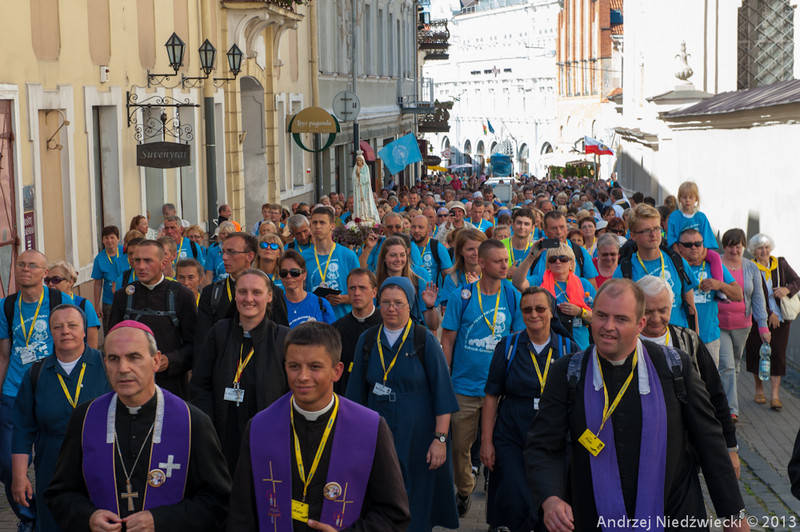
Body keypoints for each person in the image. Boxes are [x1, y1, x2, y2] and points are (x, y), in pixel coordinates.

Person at [524, 279, 748, 532]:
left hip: (674, 515)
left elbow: (710, 443)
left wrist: (734, 517)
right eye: (601, 316)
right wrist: (550, 499)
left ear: (640, 324)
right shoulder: (568, 372)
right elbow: (543, 445)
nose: (608, 327)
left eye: (620, 319)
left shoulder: (675, 367)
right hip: (593, 516)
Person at [44, 321, 231, 532]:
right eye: (114, 359)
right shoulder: (85, 419)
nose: (123, 368)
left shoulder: (192, 422)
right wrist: (88, 516)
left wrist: (161, 521)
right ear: (105, 363)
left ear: (156, 361)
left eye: (134, 357)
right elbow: (59, 495)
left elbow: (218, 502)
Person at [226, 321, 411, 531]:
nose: (303, 377)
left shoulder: (371, 429)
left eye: (315, 367)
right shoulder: (260, 428)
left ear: (337, 371)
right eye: (294, 366)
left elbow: (394, 514)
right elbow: (241, 515)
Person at [346, 277, 459, 531]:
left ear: (410, 305)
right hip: (377, 433)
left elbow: (443, 394)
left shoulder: (423, 340)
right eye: (385, 302)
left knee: (416, 500)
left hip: (418, 436)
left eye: (399, 303)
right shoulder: (367, 340)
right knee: (380, 493)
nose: (391, 308)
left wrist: (440, 440)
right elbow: (354, 396)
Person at [481, 287, 577, 532]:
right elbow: (492, 395)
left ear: (551, 312)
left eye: (540, 308)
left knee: (550, 499)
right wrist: (486, 442)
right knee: (515, 497)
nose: (534, 314)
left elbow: (580, 401)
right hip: (512, 434)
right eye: (527, 309)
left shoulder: (569, 348)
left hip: (553, 438)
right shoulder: (509, 346)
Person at [440, 239, 524, 517]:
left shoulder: (511, 295)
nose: (505, 265)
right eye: (499, 261)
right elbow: (448, 342)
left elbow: (517, 341)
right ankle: (464, 489)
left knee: (500, 447)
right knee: (459, 449)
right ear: (482, 263)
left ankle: (496, 497)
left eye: (506, 260)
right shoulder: (461, 296)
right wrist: (446, 382)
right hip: (464, 388)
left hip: (500, 391)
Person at [11, 305, 111, 532]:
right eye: (58, 326)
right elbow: (23, 427)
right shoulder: (36, 373)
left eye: (73, 325)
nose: (65, 331)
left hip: (101, 459)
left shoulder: (106, 365)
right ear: (50, 332)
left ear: (84, 330)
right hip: (52, 462)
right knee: (54, 522)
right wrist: (19, 475)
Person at [636, 275, 740, 474]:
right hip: (639, 448)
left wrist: (731, 447)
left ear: (672, 306)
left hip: (684, 450)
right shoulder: (626, 343)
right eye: (648, 311)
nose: (656, 318)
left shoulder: (688, 341)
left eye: (663, 310)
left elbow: (715, 394)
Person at [0, 251, 72, 530]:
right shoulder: (7, 306)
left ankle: (50, 516)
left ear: (44, 272)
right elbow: (5, 355)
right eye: (21, 265)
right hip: (13, 392)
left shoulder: (60, 301)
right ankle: (28, 518)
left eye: (32, 265)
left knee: (51, 460)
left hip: (49, 389)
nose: (25, 269)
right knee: (8, 464)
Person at [191, 269, 290, 474]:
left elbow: (291, 393)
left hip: (267, 436)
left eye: (256, 292)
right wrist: (208, 430)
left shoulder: (283, 338)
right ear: (235, 295)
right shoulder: (219, 332)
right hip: (222, 434)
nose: (249, 299)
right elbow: (200, 385)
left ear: (269, 296)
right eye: (242, 292)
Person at [109, 240, 197, 399]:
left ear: (164, 263)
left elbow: (195, 345)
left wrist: (171, 360)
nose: (141, 266)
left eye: (148, 260)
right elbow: (111, 344)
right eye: (137, 260)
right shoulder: (123, 297)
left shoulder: (182, 296)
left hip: (171, 387)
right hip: (131, 387)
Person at [613, 203, 699, 330]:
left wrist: (695, 345)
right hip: (644, 343)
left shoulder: (677, 262)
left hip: (677, 341)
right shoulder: (625, 271)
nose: (653, 234)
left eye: (657, 228)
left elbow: (692, 310)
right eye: (646, 230)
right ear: (633, 236)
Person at [197, 232, 290, 342]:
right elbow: (202, 341)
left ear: (250, 256)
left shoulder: (272, 292)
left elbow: (281, 339)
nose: (224, 257)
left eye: (231, 252)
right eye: (223, 252)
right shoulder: (211, 293)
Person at [718, 229, 770, 421]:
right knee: (728, 365)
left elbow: (758, 297)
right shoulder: (716, 263)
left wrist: (763, 326)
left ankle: (723, 396)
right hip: (719, 323)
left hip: (743, 325)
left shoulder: (751, 268)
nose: (734, 250)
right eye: (730, 246)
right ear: (724, 247)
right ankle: (731, 410)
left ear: (744, 247)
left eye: (738, 246)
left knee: (735, 364)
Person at [745, 233, 799, 411]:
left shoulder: (780, 264)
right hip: (756, 319)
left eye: (766, 247)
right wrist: (768, 314)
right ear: (754, 250)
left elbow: (797, 281)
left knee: (778, 354)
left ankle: (775, 395)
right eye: (760, 248)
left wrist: (786, 289)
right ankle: (759, 389)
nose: (764, 250)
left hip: (782, 318)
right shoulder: (750, 267)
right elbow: (751, 294)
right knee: (756, 353)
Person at [676, 228, 743, 366]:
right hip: (681, 338)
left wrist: (719, 285)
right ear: (680, 247)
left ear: (703, 245)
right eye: (688, 245)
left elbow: (738, 295)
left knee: (710, 384)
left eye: (698, 244)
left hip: (709, 338)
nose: (694, 247)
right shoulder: (674, 266)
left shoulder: (712, 266)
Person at [522, 242, 596, 350]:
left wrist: (580, 312)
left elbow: (599, 317)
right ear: (548, 265)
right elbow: (518, 283)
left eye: (563, 258)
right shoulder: (539, 281)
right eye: (553, 259)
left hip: (580, 345)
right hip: (551, 347)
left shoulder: (584, 284)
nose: (558, 261)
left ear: (571, 263)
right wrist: (530, 258)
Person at [302, 207, 361, 321]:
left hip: (343, 320)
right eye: (314, 222)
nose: (318, 226)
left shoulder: (348, 256)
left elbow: (362, 293)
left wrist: (342, 299)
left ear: (332, 226)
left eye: (322, 222)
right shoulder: (303, 257)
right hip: (315, 321)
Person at [514, 211, 599, 286]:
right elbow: (520, 284)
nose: (558, 232)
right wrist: (530, 258)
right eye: (554, 228)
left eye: (562, 227)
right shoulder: (534, 252)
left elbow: (591, 290)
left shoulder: (580, 252)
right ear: (545, 231)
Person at [332, 269, 381, 395]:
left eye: (362, 288)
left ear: (374, 292)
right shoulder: (337, 329)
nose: (357, 293)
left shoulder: (386, 324)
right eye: (352, 288)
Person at [375, 236, 439, 330]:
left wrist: (430, 306)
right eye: (393, 255)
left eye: (402, 255)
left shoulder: (418, 282)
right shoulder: (375, 283)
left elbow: (433, 326)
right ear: (384, 258)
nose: (398, 259)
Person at [45, 261, 102, 349]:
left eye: (56, 280)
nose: (50, 284)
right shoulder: (44, 305)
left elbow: (92, 344)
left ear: (70, 282)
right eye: (47, 280)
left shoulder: (83, 305)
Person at [277, 250, 335, 328]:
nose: (288, 276)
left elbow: (332, 336)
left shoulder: (321, 304)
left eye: (294, 272)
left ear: (304, 275)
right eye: (284, 273)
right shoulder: (276, 306)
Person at [441, 228, 486, 311]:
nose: (476, 253)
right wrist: (474, 289)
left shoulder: (493, 275)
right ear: (461, 251)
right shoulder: (452, 278)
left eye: (479, 248)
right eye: (470, 249)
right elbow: (449, 313)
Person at [91, 225, 125, 334]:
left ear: (118, 238)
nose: (109, 241)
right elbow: (97, 283)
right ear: (102, 240)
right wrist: (97, 305)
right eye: (106, 238)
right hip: (109, 301)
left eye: (112, 237)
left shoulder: (125, 252)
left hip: (126, 297)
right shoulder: (99, 259)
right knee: (110, 331)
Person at [410, 215, 453, 288]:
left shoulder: (437, 246)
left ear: (429, 230)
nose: (416, 230)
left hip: (434, 295)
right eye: (413, 227)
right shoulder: (405, 245)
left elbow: (449, 273)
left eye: (420, 227)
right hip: (412, 294)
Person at [502, 208, 535, 276]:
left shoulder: (535, 249)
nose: (522, 227)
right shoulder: (499, 245)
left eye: (526, 224)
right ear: (512, 225)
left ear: (532, 228)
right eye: (519, 223)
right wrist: (506, 274)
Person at [353, 153, 380, 222]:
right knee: (359, 202)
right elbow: (354, 178)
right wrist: (357, 174)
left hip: (365, 188)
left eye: (360, 160)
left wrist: (360, 175)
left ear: (362, 161)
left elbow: (366, 178)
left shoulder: (365, 167)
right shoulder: (355, 168)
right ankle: (359, 216)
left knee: (365, 201)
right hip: (359, 188)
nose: (359, 162)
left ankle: (365, 215)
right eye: (357, 160)